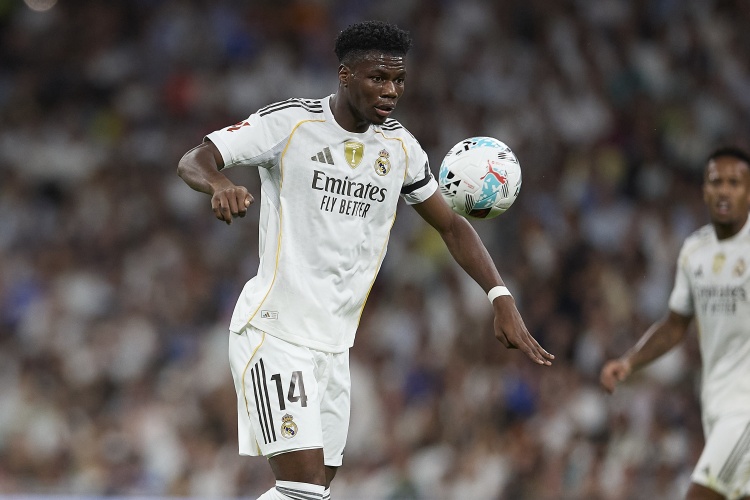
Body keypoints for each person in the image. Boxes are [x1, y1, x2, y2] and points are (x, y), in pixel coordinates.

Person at [177, 20, 553, 500]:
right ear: (345, 75)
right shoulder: (291, 124)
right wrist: (220, 184)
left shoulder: (400, 148)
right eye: (378, 78)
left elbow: (452, 225)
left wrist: (500, 296)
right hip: (276, 331)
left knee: (317, 488)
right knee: (302, 488)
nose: (391, 91)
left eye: (399, 80)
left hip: (335, 346)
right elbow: (195, 159)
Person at [600, 146, 750, 500]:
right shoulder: (695, 251)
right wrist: (630, 361)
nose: (724, 191)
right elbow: (674, 325)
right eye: (716, 182)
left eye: (735, 182)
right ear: (705, 190)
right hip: (715, 400)